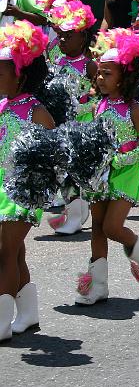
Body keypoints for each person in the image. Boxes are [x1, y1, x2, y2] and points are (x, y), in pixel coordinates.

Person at [76, 28, 139, 306]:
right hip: (100, 174)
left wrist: (126, 159)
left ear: (125, 77)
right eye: (99, 72)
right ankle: (97, 285)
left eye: (107, 73)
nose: (99, 78)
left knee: (112, 227)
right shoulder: (98, 105)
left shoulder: (133, 109)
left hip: (125, 172)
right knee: (97, 227)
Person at [0, 21, 54, 340]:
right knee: (15, 252)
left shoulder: (37, 113)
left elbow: (54, 158)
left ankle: (2, 321)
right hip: (0, 187)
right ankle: (29, 315)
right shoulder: (3, 106)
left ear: (20, 73)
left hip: (24, 193)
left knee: (4, 252)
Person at [43, 0, 97, 235]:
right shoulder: (56, 62)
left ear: (83, 38)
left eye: (69, 36)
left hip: (81, 127)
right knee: (62, 168)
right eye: (61, 36)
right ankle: (77, 210)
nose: (62, 41)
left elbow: (103, 97)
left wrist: (83, 106)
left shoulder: (90, 66)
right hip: (61, 125)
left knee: (73, 169)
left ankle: (76, 215)